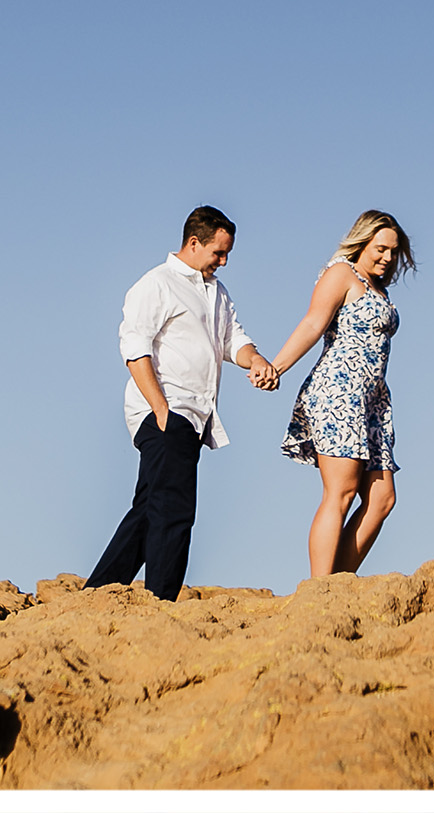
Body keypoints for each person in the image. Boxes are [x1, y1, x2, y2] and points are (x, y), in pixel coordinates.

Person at [87, 206, 278, 602]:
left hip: (194, 417)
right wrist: (161, 409)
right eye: (218, 253)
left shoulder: (217, 292)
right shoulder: (156, 284)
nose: (223, 262)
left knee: (151, 507)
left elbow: (233, 340)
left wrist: (256, 359)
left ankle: (96, 594)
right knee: (175, 510)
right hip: (166, 411)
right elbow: (134, 348)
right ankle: (162, 600)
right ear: (194, 243)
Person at [267, 210, 415, 578]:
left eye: (394, 252)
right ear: (362, 242)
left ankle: (339, 584)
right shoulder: (342, 274)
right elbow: (314, 323)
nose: (387, 257)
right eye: (381, 248)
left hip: (373, 401)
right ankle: (320, 591)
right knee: (342, 493)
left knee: (382, 499)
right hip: (340, 392)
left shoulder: (378, 287)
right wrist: (277, 366)